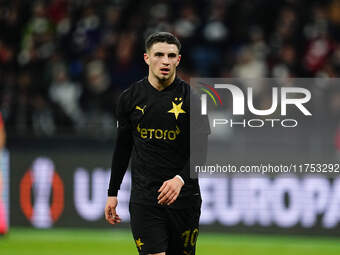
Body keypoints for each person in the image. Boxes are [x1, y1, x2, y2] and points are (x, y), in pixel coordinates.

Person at [105, 32, 209, 255]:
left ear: (178, 60)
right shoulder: (129, 98)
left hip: (185, 200)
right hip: (145, 199)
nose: (165, 61)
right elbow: (122, 148)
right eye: (159, 54)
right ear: (146, 58)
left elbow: (202, 152)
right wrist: (112, 192)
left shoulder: (193, 100)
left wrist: (180, 180)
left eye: (171, 56)